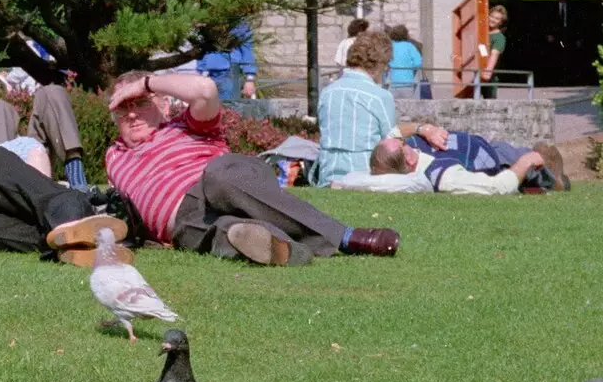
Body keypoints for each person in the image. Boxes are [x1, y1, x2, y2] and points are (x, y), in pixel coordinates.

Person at [103, 70, 400, 266]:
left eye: (140, 102)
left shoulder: (185, 125)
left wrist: (146, 82)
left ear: (164, 105)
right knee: (227, 233)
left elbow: (205, 90)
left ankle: (345, 236)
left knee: (220, 179)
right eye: (122, 106)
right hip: (185, 222)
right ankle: (289, 251)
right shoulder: (114, 157)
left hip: (227, 181)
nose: (131, 113)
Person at [316, 31, 448, 185]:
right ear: (380, 64)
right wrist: (423, 129)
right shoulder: (379, 96)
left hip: (327, 175)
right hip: (364, 176)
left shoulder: (327, 93)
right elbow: (392, 139)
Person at [369, 137, 552, 194]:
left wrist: (423, 129)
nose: (405, 141)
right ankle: (555, 174)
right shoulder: (443, 175)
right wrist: (526, 161)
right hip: (501, 160)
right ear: (409, 160)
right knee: (544, 162)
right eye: (402, 143)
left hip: (486, 145)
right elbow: (497, 187)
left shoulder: (405, 154)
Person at [194, 21, 257, 99]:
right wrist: (200, 71)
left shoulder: (239, 24)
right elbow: (202, 49)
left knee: (227, 107)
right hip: (209, 75)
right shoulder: (207, 21)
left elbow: (247, 52)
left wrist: (249, 80)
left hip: (230, 74)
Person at [387, 24, 428, 97]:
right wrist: (410, 65)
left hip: (393, 83)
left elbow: (386, 61)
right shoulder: (410, 46)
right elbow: (418, 63)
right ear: (405, 34)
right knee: (408, 106)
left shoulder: (390, 46)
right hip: (407, 82)